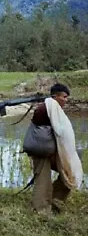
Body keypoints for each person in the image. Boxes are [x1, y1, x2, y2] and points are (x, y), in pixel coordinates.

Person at [27, 83, 82, 214]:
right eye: (64, 97)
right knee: (43, 179)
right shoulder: (46, 108)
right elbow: (58, 131)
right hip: (41, 150)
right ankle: (41, 210)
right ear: (55, 96)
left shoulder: (52, 109)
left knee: (70, 173)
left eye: (67, 97)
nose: (66, 100)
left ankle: (54, 199)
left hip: (50, 150)